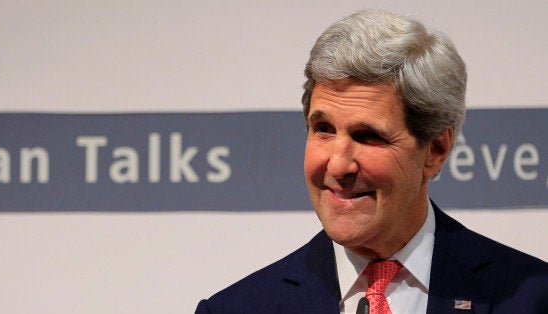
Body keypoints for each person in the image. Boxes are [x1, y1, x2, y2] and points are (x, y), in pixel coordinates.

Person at [195, 9, 547, 314]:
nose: (337, 165)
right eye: (323, 129)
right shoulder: (236, 308)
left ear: (435, 150)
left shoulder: (532, 298)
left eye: (368, 136)